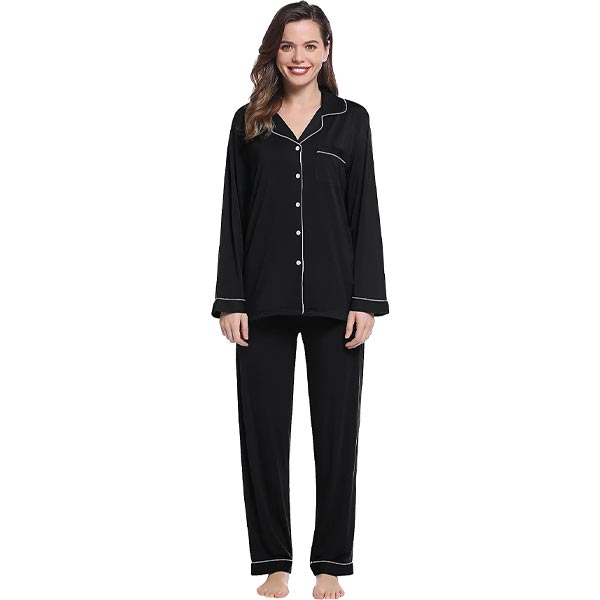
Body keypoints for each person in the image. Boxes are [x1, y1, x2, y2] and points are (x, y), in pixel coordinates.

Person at [211, 3, 389, 598]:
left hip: (338, 301)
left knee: (337, 436)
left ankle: (331, 562)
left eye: (310, 45)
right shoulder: (248, 122)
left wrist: (366, 299)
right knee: (262, 433)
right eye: (288, 45)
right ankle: (274, 561)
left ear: (327, 50)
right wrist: (230, 298)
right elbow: (233, 212)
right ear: (275, 51)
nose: (299, 57)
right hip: (260, 300)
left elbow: (364, 210)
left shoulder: (351, 120)